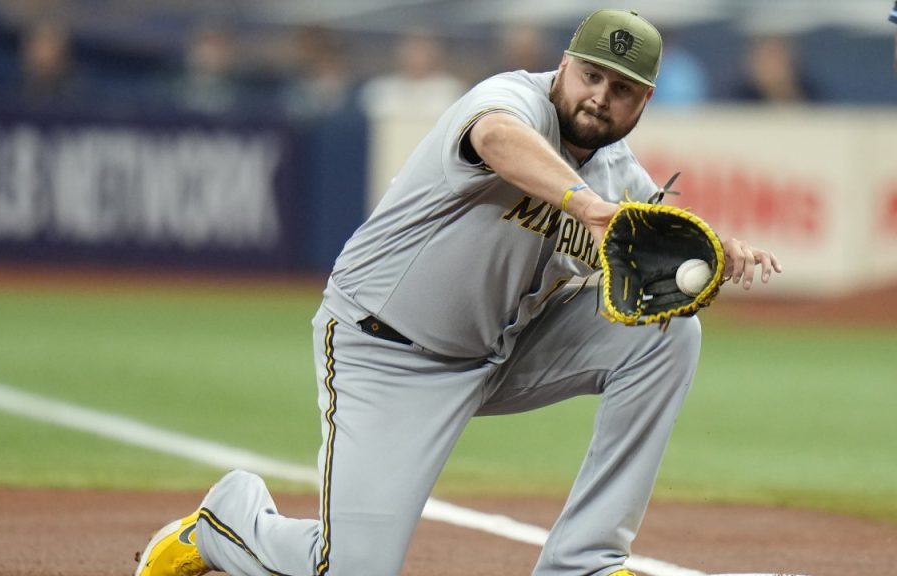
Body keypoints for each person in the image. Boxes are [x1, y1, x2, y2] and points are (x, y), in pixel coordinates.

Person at [134, 9, 781, 576]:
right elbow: (495, 138)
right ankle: (226, 520)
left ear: (643, 103)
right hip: (385, 349)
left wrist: (724, 253)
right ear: (563, 68)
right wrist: (586, 206)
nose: (599, 97)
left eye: (621, 89)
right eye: (591, 75)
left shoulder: (620, 174)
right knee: (349, 570)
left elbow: (661, 239)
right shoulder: (510, 100)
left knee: (666, 331)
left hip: (500, 352)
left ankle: (585, 563)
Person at [731, 34, 821, 103]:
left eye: (776, 58)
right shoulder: (737, 99)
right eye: (765, 59)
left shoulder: (813, 93)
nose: (771, 65)